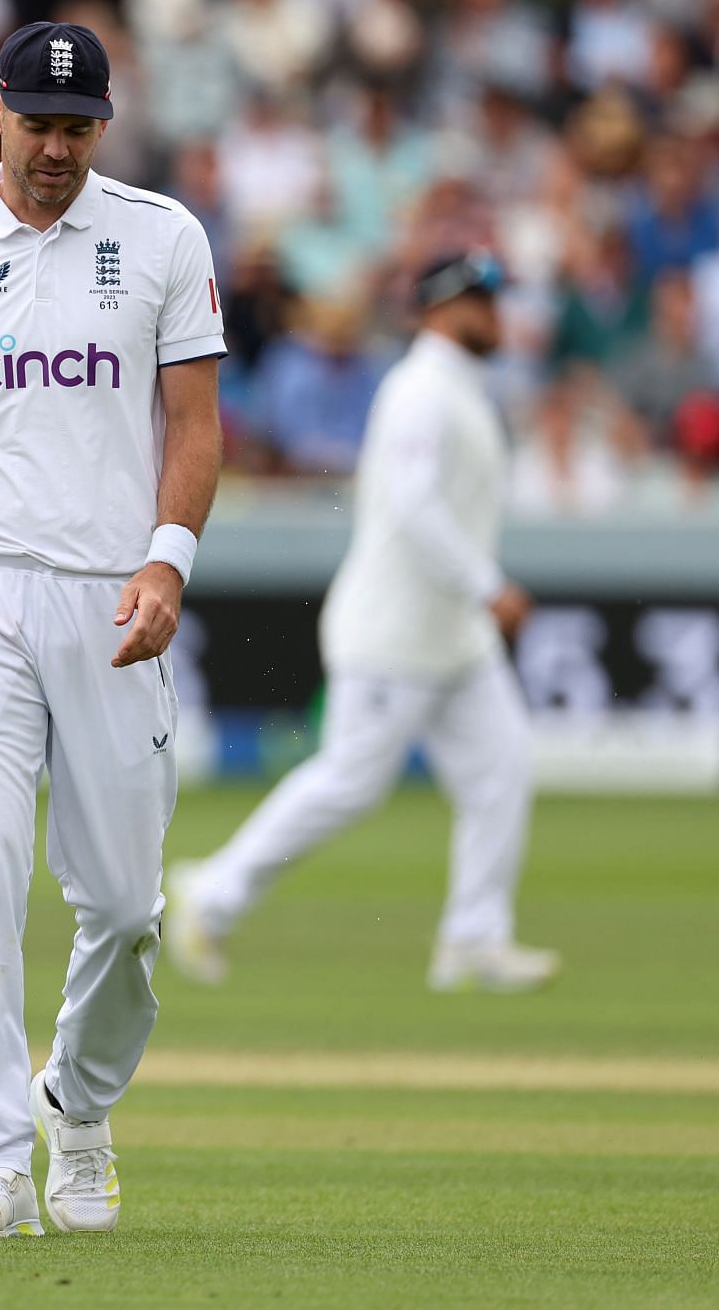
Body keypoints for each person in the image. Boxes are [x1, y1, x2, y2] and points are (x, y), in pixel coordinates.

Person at [0, 21, 226, 1239]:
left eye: (79, 127)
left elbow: (194, 421)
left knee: (124, 904)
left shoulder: (162, 235)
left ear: (101, 126)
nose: (57, 148)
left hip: (113, 593)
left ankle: (77, 1096)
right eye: (38, 122)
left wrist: (167, 563)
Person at [168, 251, 560, 995]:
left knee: (502, 768)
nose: (495, 314)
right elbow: (413, 506)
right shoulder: (420, 391)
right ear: (440, 309)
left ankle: (473, 941)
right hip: (393, 630)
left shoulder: (461, 389)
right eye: (481, 301)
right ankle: (212, 893)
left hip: (452, 639)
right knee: (351, 781)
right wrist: (487, 586)